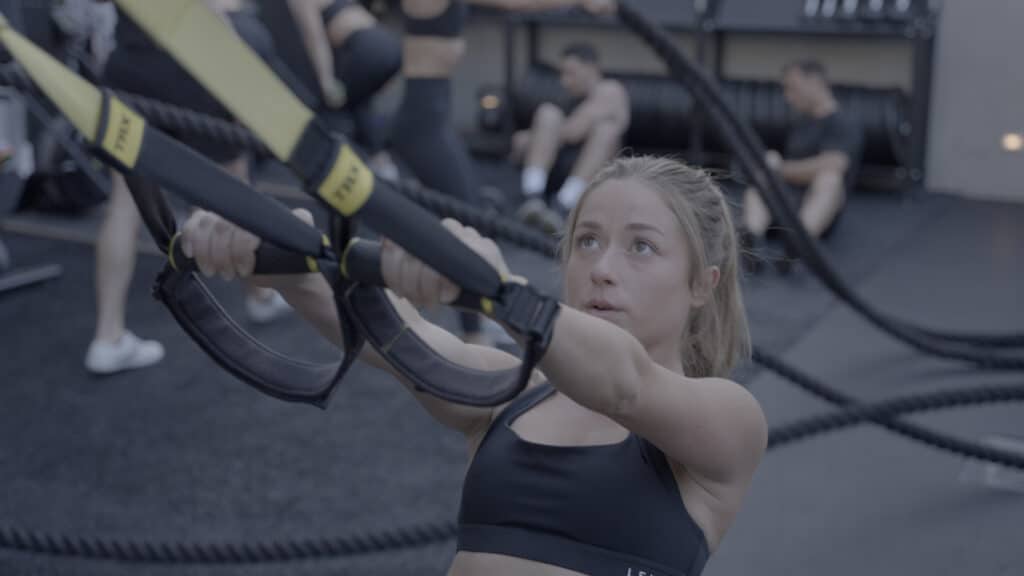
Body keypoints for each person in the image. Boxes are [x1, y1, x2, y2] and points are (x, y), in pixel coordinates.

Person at [179, 155, 767, 575]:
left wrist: (499, 292)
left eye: (641, 246)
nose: (603, 268)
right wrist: (272, 253)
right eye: (587, 241)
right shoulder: (510, 393)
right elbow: (393, 331)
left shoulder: (727, 420)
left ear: (701, 285)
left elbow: (625, 384)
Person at [83, 0, 292, 376]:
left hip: (127, 64)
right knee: (231, 183)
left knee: (124, 201)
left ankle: (107, 336)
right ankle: (259, 296)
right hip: (184, 60)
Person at [390, 0, 615, 346]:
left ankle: (474, 322)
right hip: (422, 124)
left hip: (433, 119)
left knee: (467, 215)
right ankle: (473, 331)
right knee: (467, 219)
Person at [741, 59, 863, 273]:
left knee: (829, 178)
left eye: (793, 88)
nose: (788, 96)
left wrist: (780, 168)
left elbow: (833, 164)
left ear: (815, 82)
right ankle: (753, 240)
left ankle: (799, 243)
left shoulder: (844, 123)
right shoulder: (801, 123)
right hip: (785, 203)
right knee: (760, 179)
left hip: (818, 210)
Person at [513, 42, 630, 234]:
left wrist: (532, 137)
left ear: (591, 68)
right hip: (556, 170)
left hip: (595, 179)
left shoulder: (609, 90)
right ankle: (532, 197)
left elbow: (575, 131)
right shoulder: (569, 98)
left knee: (605, 131)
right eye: (562, 74)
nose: (564, 81)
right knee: (548, 113)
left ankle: (564, 207)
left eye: (571, 73)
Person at [285, 0, 402, 167]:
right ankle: (380, 160)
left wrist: (326, 81)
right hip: (387, 45)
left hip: (368, 49)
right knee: (358, 106)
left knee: (332, 109)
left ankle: (348, 164)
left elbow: (315, 39)